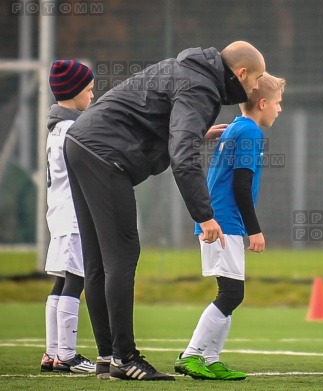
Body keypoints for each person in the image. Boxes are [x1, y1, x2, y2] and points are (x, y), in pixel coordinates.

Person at [64, 41, 266, 381]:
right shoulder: (202, 86)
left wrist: (196, 134)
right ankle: (124, 358)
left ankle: (106, 356)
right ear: (240, 72)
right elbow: (182, 158)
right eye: (255, 78)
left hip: (81, 141)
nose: (256, 86)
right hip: (105, 154)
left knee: (98, 259)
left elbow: (158, 121)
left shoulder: (187, 68)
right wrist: (204, 214)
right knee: (121, 256)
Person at [174, 72, 285, 381]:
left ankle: (210, 359)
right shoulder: (250, 133)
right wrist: (255, 230)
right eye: (278, 103)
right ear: (262, 103)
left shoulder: (236, 126)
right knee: (232, 293)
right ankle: (192, 355)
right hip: (225, 223)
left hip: (219, 220)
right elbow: (241, 185)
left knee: (231, 292)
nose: (280, 109)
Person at [40, 60, 97, 374]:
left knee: (62, 280)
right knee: (76, 279)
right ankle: (67, 355)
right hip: (74, 215)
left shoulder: (57, 128)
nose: (92, 96)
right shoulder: (73, 129)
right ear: (74, 91)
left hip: (59, 214)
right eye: (88, 90)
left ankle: (52, 353)